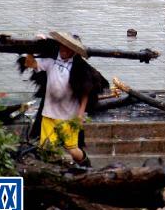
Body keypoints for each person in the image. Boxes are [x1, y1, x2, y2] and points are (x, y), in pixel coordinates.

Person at [20, 32, 103, 167]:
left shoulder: (79, 68)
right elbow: (31, 63)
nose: (64, 50)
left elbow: (85, 92)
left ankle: (85, 164)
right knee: (46, 147)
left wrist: (80, 115)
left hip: (69, 116)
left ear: (74, 52)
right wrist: (32, 47)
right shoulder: (51, 62)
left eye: (68, 49)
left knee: (73, 150)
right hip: (49, 113)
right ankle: (54, 169)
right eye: (62, 47)